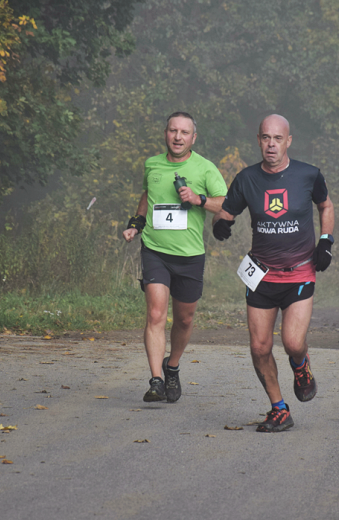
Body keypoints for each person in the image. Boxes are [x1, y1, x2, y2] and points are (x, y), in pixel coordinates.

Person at [212, 114, 334, 433]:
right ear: (258, 140)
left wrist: (326, 241)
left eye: (277, 139)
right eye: (266, 138)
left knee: (293, 342)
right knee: (259, 347)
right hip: (261, 276)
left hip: (299, 272)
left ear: (288, 141)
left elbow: (326, 206)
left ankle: (300, 366)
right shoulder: (247, 178)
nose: (271, 144)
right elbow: (227, 211)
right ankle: (279, 409)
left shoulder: (309, 175)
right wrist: (221, 224)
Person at [122, 112, 227, 403]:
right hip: (155, 251)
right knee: (156, 314)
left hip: (190, 255)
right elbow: (148, 195)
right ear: (165, 133)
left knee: (184, 319)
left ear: (193, 138)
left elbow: (226, 203)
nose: (178, 137)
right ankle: (155, 380)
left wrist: (198, 199)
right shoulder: (152, 164)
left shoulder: (205, 168)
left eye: (184, 132)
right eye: (173, 130)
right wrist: (136, 224)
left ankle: (172, 367)